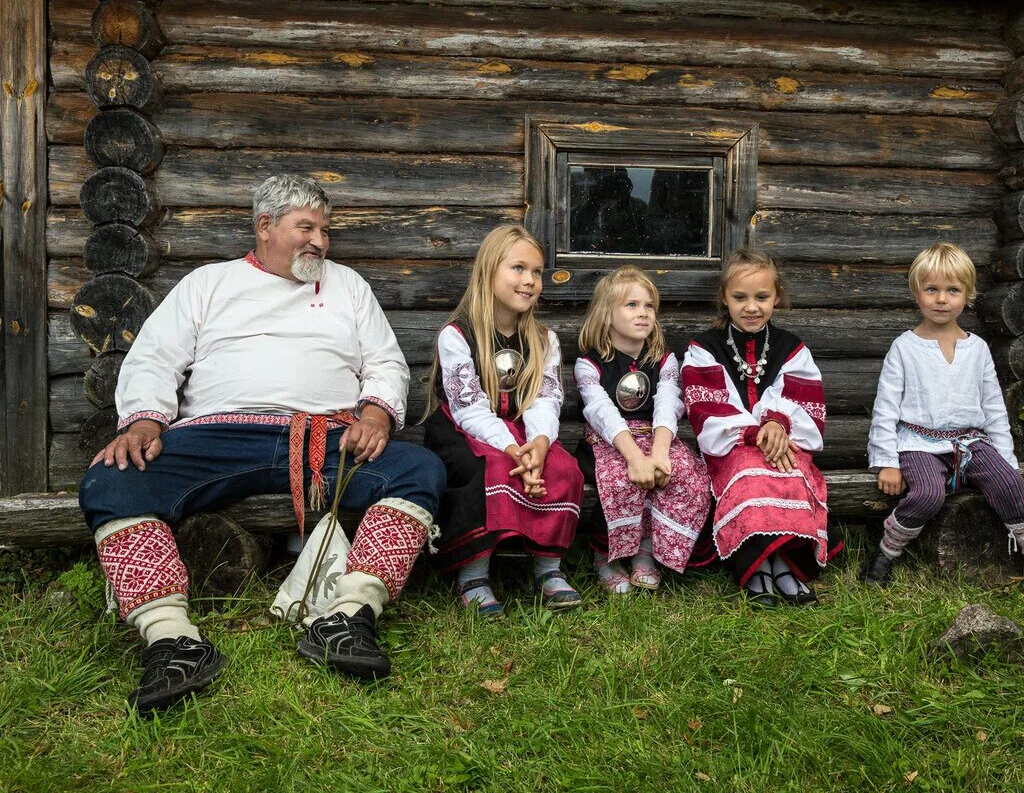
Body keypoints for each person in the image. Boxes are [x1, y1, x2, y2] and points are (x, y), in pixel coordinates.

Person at [78, 175, 447, 714]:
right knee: (112, 478)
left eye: (324, 230)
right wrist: (144, 422)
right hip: (216, 439)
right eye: (306, 227)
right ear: (265, 226)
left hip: (325, 439)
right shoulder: (209, 283)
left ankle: (346, 620)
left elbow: (386, 362)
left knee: (418, 469)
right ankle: (172, 641)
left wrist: (375, 414)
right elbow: (156, 357)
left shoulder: (348, 286)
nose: (319, 240)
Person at [862, 243, 1024, 614]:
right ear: (917, 293)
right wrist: (887, 461)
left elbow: (994, 408)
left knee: (1011, 484)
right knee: (928, 494)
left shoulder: (976, 348)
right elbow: (885, 408)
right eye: (932, 290)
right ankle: (885, 555)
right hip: (919, 442)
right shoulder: (905, 347)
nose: (942, 300)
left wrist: (1006, 461)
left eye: (953, 290)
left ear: (968, 294)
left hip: (972, 443)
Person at [422, 225, 583, 616]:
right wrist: (514, 450)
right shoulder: (457, 334)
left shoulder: (544, 339)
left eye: (537, 272)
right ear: (489, 270)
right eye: (518, 268)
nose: (529, 280)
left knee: (564, 467)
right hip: (465, 427)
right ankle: (473, 572)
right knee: (491, 467)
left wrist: (540, 444)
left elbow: (545, 398)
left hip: (524, 431)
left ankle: (548, 567)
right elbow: (469, 408)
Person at [680, 248, 842, 608]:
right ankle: (756, 568)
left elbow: (804, 399)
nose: (751, 307)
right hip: (730, 448)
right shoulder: (704, 348)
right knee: (749, 472)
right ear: (725, 298)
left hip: (784, 443)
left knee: (792, 469)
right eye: (740, 297)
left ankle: (785, 564)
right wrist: (754, 432)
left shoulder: (791, 348)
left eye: (761, 297)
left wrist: (779, 422)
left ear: (776, 297)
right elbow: (707, 406)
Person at [573, 266, 710, 594]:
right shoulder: (589, 364)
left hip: (657, 434)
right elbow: (601, 412)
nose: (643, 313)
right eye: (631, 305)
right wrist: (635, 457)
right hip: (610, 440)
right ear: (607, 314)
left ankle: (646, 552)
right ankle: (605, 555)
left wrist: (660, 453)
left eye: (649, 306)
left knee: (685, 473)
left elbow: (668, 404)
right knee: (621, 479)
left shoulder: (664, 360)